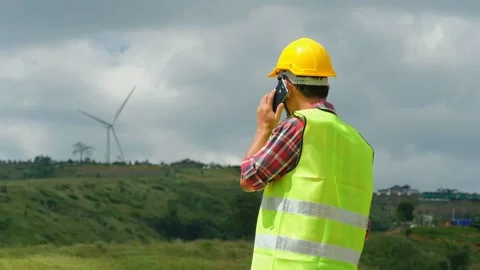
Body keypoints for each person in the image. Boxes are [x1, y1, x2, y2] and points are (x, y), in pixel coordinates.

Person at [239, 37, 374, 270]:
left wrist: (264, 128)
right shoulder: (360, 144)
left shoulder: (298, 126)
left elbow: (249, 179)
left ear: (286, 86)